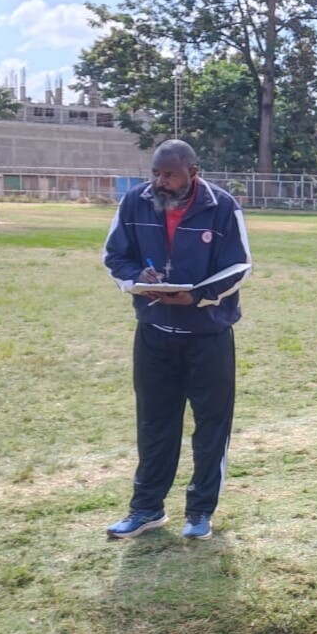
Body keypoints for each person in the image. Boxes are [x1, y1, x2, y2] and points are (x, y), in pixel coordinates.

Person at [102, 140, 252, 541]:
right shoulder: (135, 203)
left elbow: (239, 267)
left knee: (211, 427)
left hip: (208, 336)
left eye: (169, 175)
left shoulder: (221, 207)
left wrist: (197, 295)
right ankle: (146, 509)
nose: (160, 182)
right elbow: (114, 256)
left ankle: (200, 512)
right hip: (154, 334)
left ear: (192, 172)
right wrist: (137, 278)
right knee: (154, 424)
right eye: (155, 173)